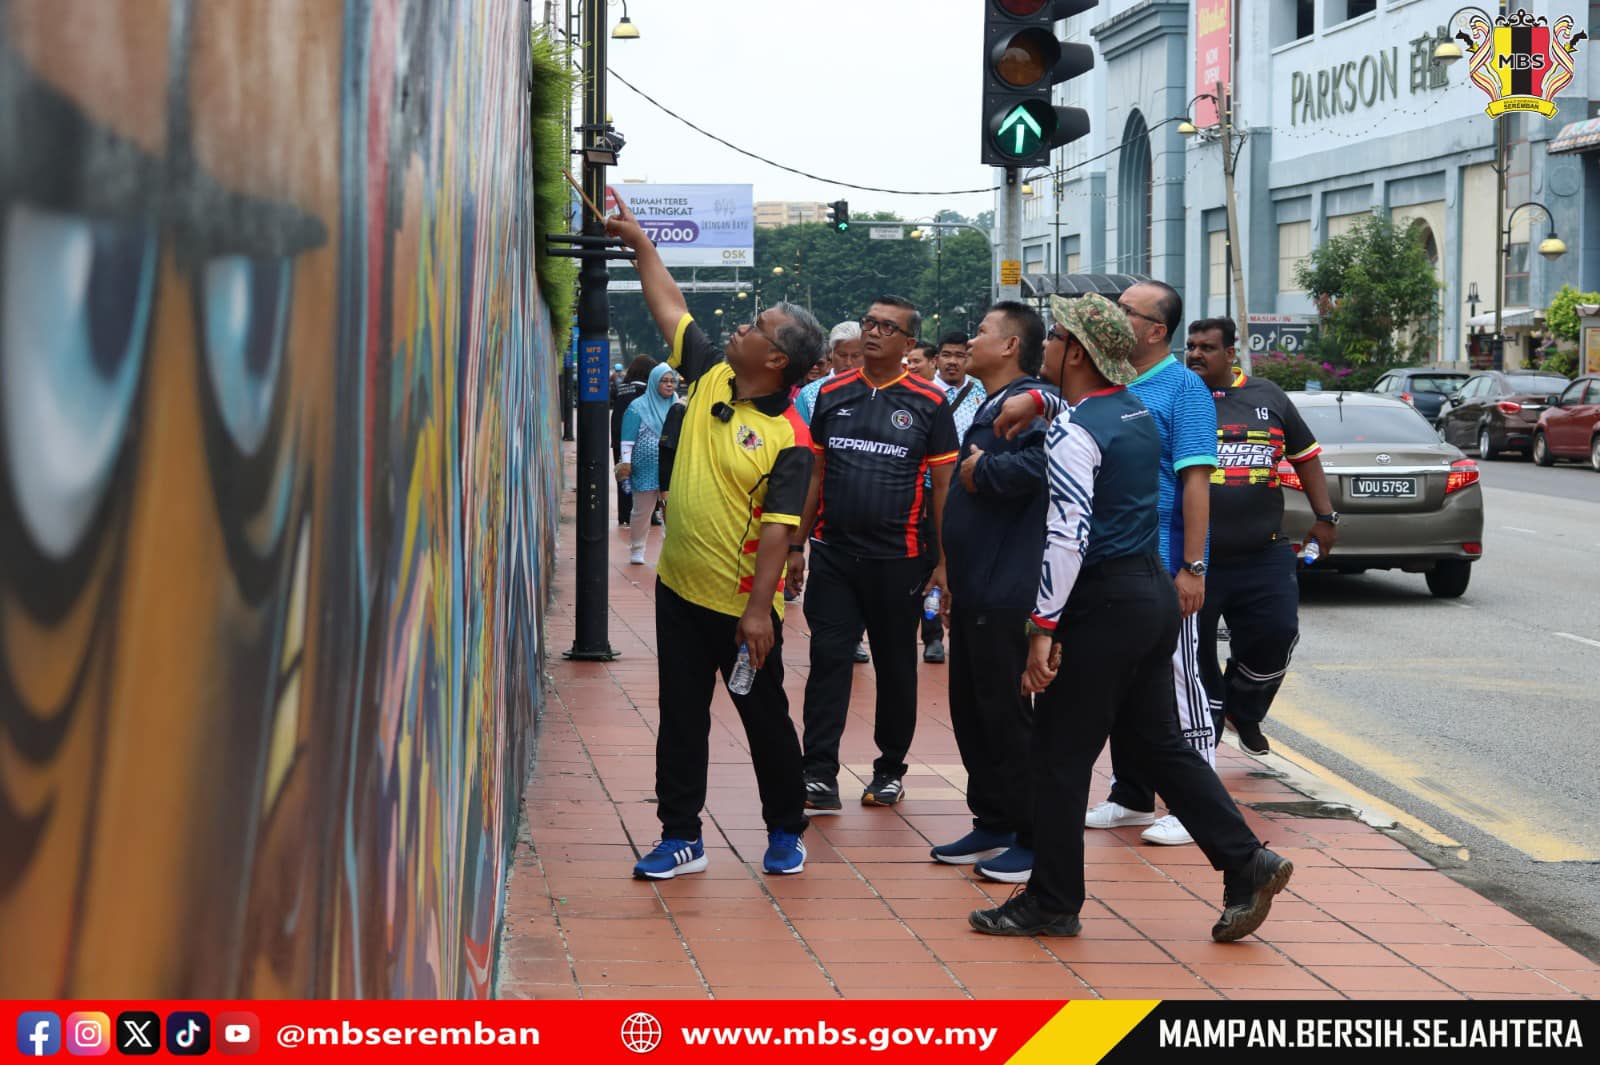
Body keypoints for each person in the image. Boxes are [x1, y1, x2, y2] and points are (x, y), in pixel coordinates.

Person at [967, 292, 1292, 942]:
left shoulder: (1075, 432)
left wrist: (1043, 627)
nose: (1046, 347)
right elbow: (1091, 414)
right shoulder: (1136, 413)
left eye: (1055, 338)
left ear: (1076, 353)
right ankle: (1245, 860)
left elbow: (1066, 536)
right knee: (1158, 743)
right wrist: (1043, 402)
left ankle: (1052, 899)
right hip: (1149, 596)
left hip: (1103, 603)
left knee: (1057, 756)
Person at [605, 195, 826, 880]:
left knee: (764, 720)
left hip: (741, 609)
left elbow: (779, 530)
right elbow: (670, 306)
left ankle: (786, 829)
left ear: (778, 359)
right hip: (678, 591)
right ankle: (681, 835)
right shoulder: (709, 373)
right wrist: (641, 245)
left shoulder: (789, 436)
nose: (741, 326)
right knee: (680, 717)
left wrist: (759, 611)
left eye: (757, 326)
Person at [995, 282, 1219, 848]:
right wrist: (1042, 400)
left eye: (1126, 310)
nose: (1115, 315)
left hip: (1159, 562)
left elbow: (1196, 480)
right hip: (1109, 571)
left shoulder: (1184, 388)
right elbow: (1092, 408)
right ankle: (1133, 794)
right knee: (1135, 699)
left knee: (1179, 686)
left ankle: (1194, 804)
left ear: (1156, 330)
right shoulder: (1121, 387)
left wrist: (1193, 565)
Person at [794, 295, 957, 811]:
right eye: (869, 323)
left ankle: (889, 770)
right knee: (828, 660)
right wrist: (796, 545)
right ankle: (818, 773)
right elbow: (815, 475)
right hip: (834, 556)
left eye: (887, 327)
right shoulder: (831, 393)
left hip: (901, 559)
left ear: (909, 343)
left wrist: (944, 562)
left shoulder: (930, 401)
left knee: (895, 667)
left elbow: (944, 487)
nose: (873, 333)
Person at [929, 303, 1051, 881]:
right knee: (973, 708)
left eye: (981, 332)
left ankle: (1032, 835)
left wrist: (984, 473)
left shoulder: (1034, 404)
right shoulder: (992, 400)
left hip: (1009, 584)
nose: (970, 342)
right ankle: (994, 819)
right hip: (976, 582)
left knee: (1006, 713)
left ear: (1010, 346)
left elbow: (1046, 467)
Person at [1185, 318, 1338, 755]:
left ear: (1230, 353)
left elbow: (1305, 457)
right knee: (1195, 656)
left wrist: (1325, 516)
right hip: (1196, 559)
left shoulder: (1267, 395)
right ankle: (1206, 744)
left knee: (1277, 635)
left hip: (1263, 553)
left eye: (1206, 347)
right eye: (1191, 346)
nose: (1195, 354)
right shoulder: (1180, 396)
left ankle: (1245, 711)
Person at [792, 323, 867, 662]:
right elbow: (802, 447)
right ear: (831, 355)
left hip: (860, 497)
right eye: (842, 355)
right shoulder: (812, 394)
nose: (849, 363)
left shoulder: (874, 391)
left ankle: (853, 636)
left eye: (856, 355)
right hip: (818, 493)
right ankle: (831, 635)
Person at [616, 362, 679, 565]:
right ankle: (637, 548)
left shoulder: (677, 405)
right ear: (654, 382)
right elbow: (627, 440)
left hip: (672, 467)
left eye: (672, 381)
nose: (669, 385)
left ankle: (671, 551)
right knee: (642, 511)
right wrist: (626, 464)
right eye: (664, 381)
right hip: (645, 468)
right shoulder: (638, 407)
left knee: (672, 511)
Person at [610, 355, 655, 525]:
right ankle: (647, 514)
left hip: (618, 439)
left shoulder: (621, 389)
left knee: (623, 476)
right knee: (644, 477)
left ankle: (624, 515)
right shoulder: (645, 391)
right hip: (638, 440)